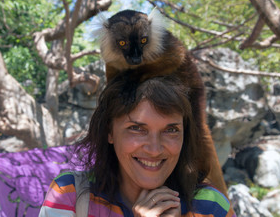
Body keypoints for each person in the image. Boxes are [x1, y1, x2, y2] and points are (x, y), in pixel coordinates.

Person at [39, 75, 236, 217]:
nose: (154, 149)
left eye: (171, 130)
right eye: (137, 128)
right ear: (110, 132)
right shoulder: (71, 194)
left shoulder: (210, 206)